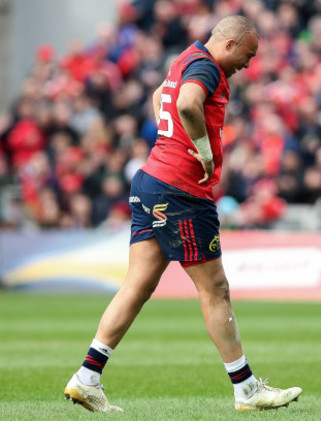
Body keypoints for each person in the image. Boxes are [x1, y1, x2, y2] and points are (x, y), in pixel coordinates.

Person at [63, 15, 302, 412]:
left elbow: (161, 98)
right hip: (181, 191)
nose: (249, 63)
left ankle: (87, 377)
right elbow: (187, 102)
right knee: (216, 290)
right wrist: (202, 151)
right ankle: (246, 389)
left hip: (151, 180)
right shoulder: (207, 67)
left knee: (136, 285)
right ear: (229, 44)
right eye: (248, 54)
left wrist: (169, 140)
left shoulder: (186, 58)